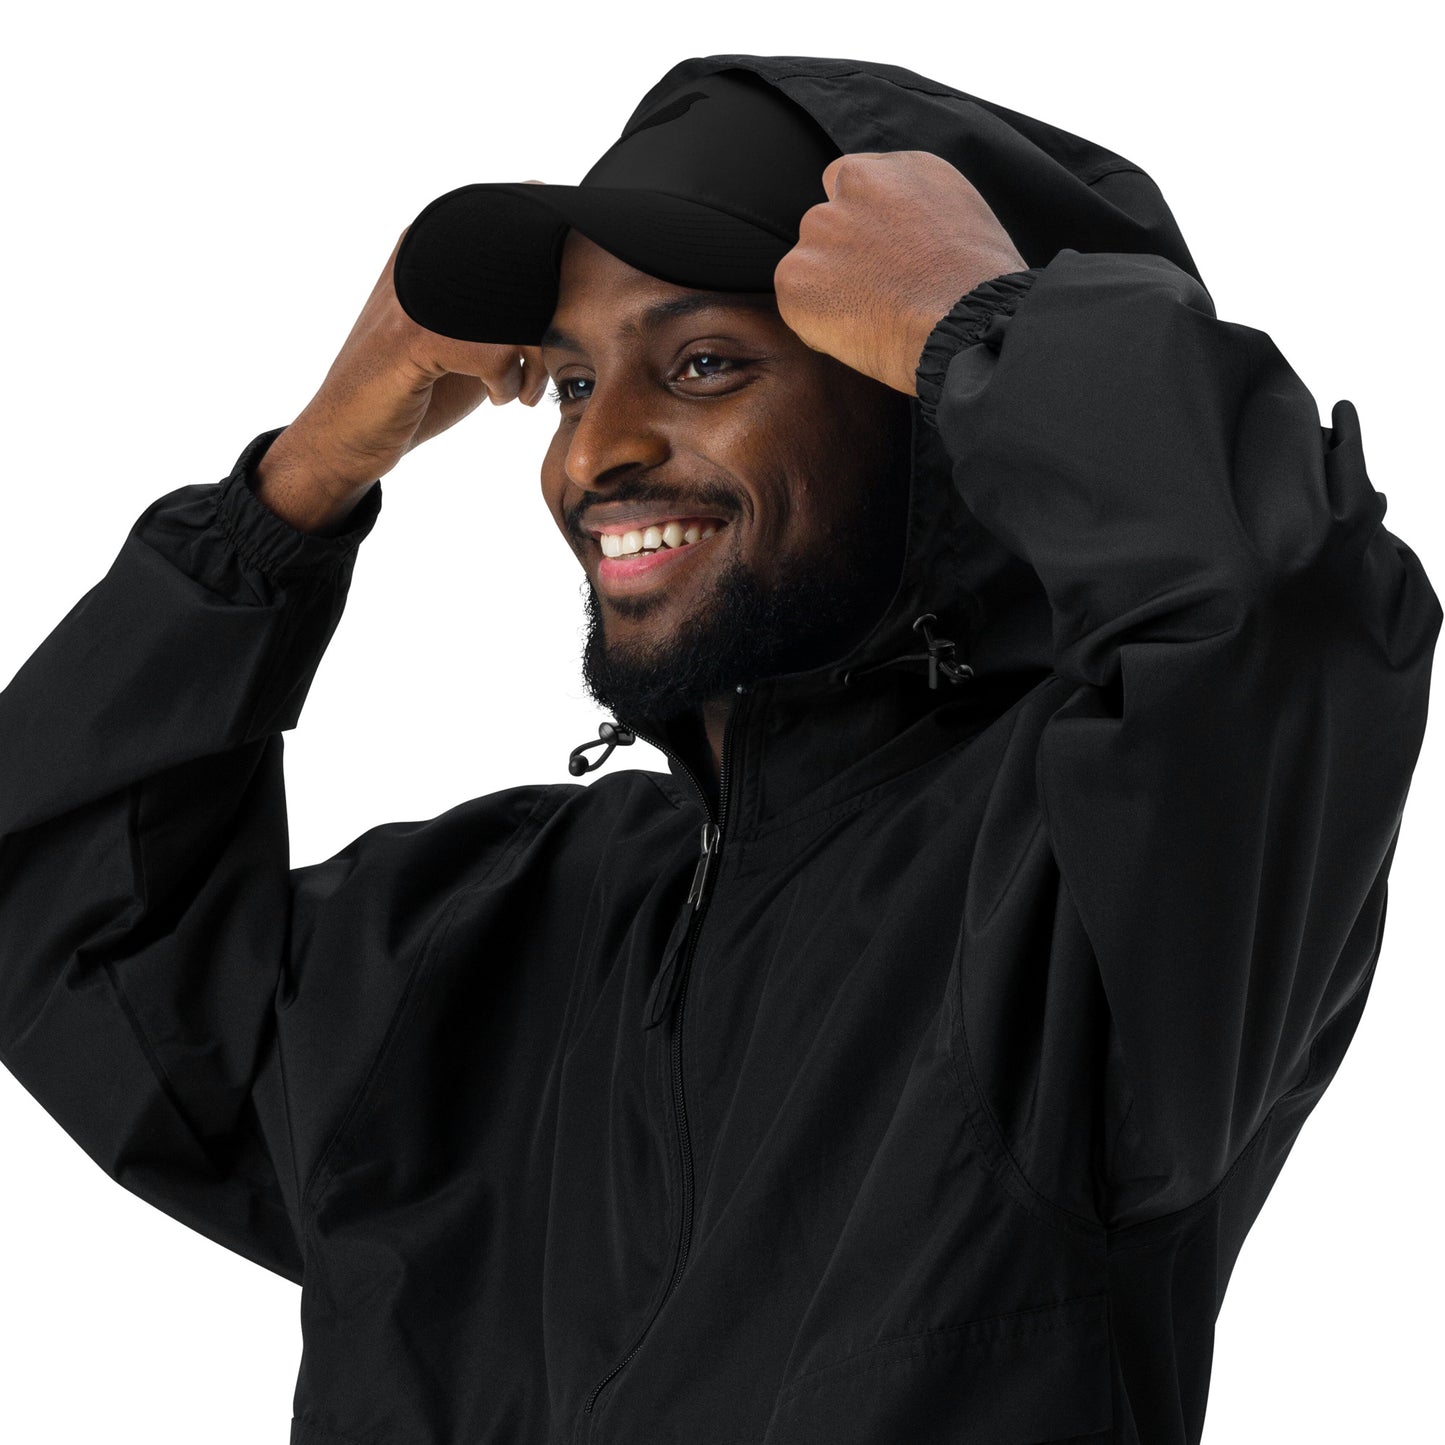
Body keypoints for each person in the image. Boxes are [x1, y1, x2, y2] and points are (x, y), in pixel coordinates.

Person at [0, 52, 1437, 1445]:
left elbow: (1277, 616)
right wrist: (302, 481)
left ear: (928, 426)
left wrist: (986, 324)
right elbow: (71, 933)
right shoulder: (501, 929)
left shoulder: (1074, 886)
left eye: (699, 364)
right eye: (573, 384)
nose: (590, 455)